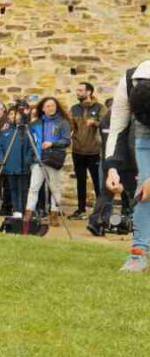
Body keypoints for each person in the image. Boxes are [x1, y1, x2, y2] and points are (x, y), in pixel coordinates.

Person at [104, 60, 150, 272]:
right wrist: (112, 167)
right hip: (143, 135)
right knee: (144, 191)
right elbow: (118, 129)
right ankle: (138, 254)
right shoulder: (128, 81)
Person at [24, 97, 72, 227]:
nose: (51, 108)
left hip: (53, 159)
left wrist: (52, 143)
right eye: (48, 106)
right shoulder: (36, 123)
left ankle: (54, 214)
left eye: (53, 105)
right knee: (33, 187)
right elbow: (27, 136)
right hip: (38, 160)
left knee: (55, 188)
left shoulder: (63, 122)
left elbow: (67, 141)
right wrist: (27, 115)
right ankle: (28, 214)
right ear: (43, 108)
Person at [68, 82, 106, 220]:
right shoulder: (74, 108)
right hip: (78, 151)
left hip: (94, 152)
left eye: (80, 90)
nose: (77, 92)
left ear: (89, 92)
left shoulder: (100, 108)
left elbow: (106, 125)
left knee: (98, 183)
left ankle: (100, 212)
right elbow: (70, 128)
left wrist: (95, 123)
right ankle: (81, 209)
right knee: (80, 182)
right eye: (77, 90)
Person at [0, 106, 32, 218]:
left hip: (22, 166)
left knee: (23, 190)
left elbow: (31, 147)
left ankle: (24, 210)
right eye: (11, 114)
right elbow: (0, 146)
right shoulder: (6, 131)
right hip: (9, 166)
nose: (13, 117)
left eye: (15, 114)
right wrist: (2, 159)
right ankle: (16, 210)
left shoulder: (25, 131)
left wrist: (27, 160)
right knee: (13, 189)